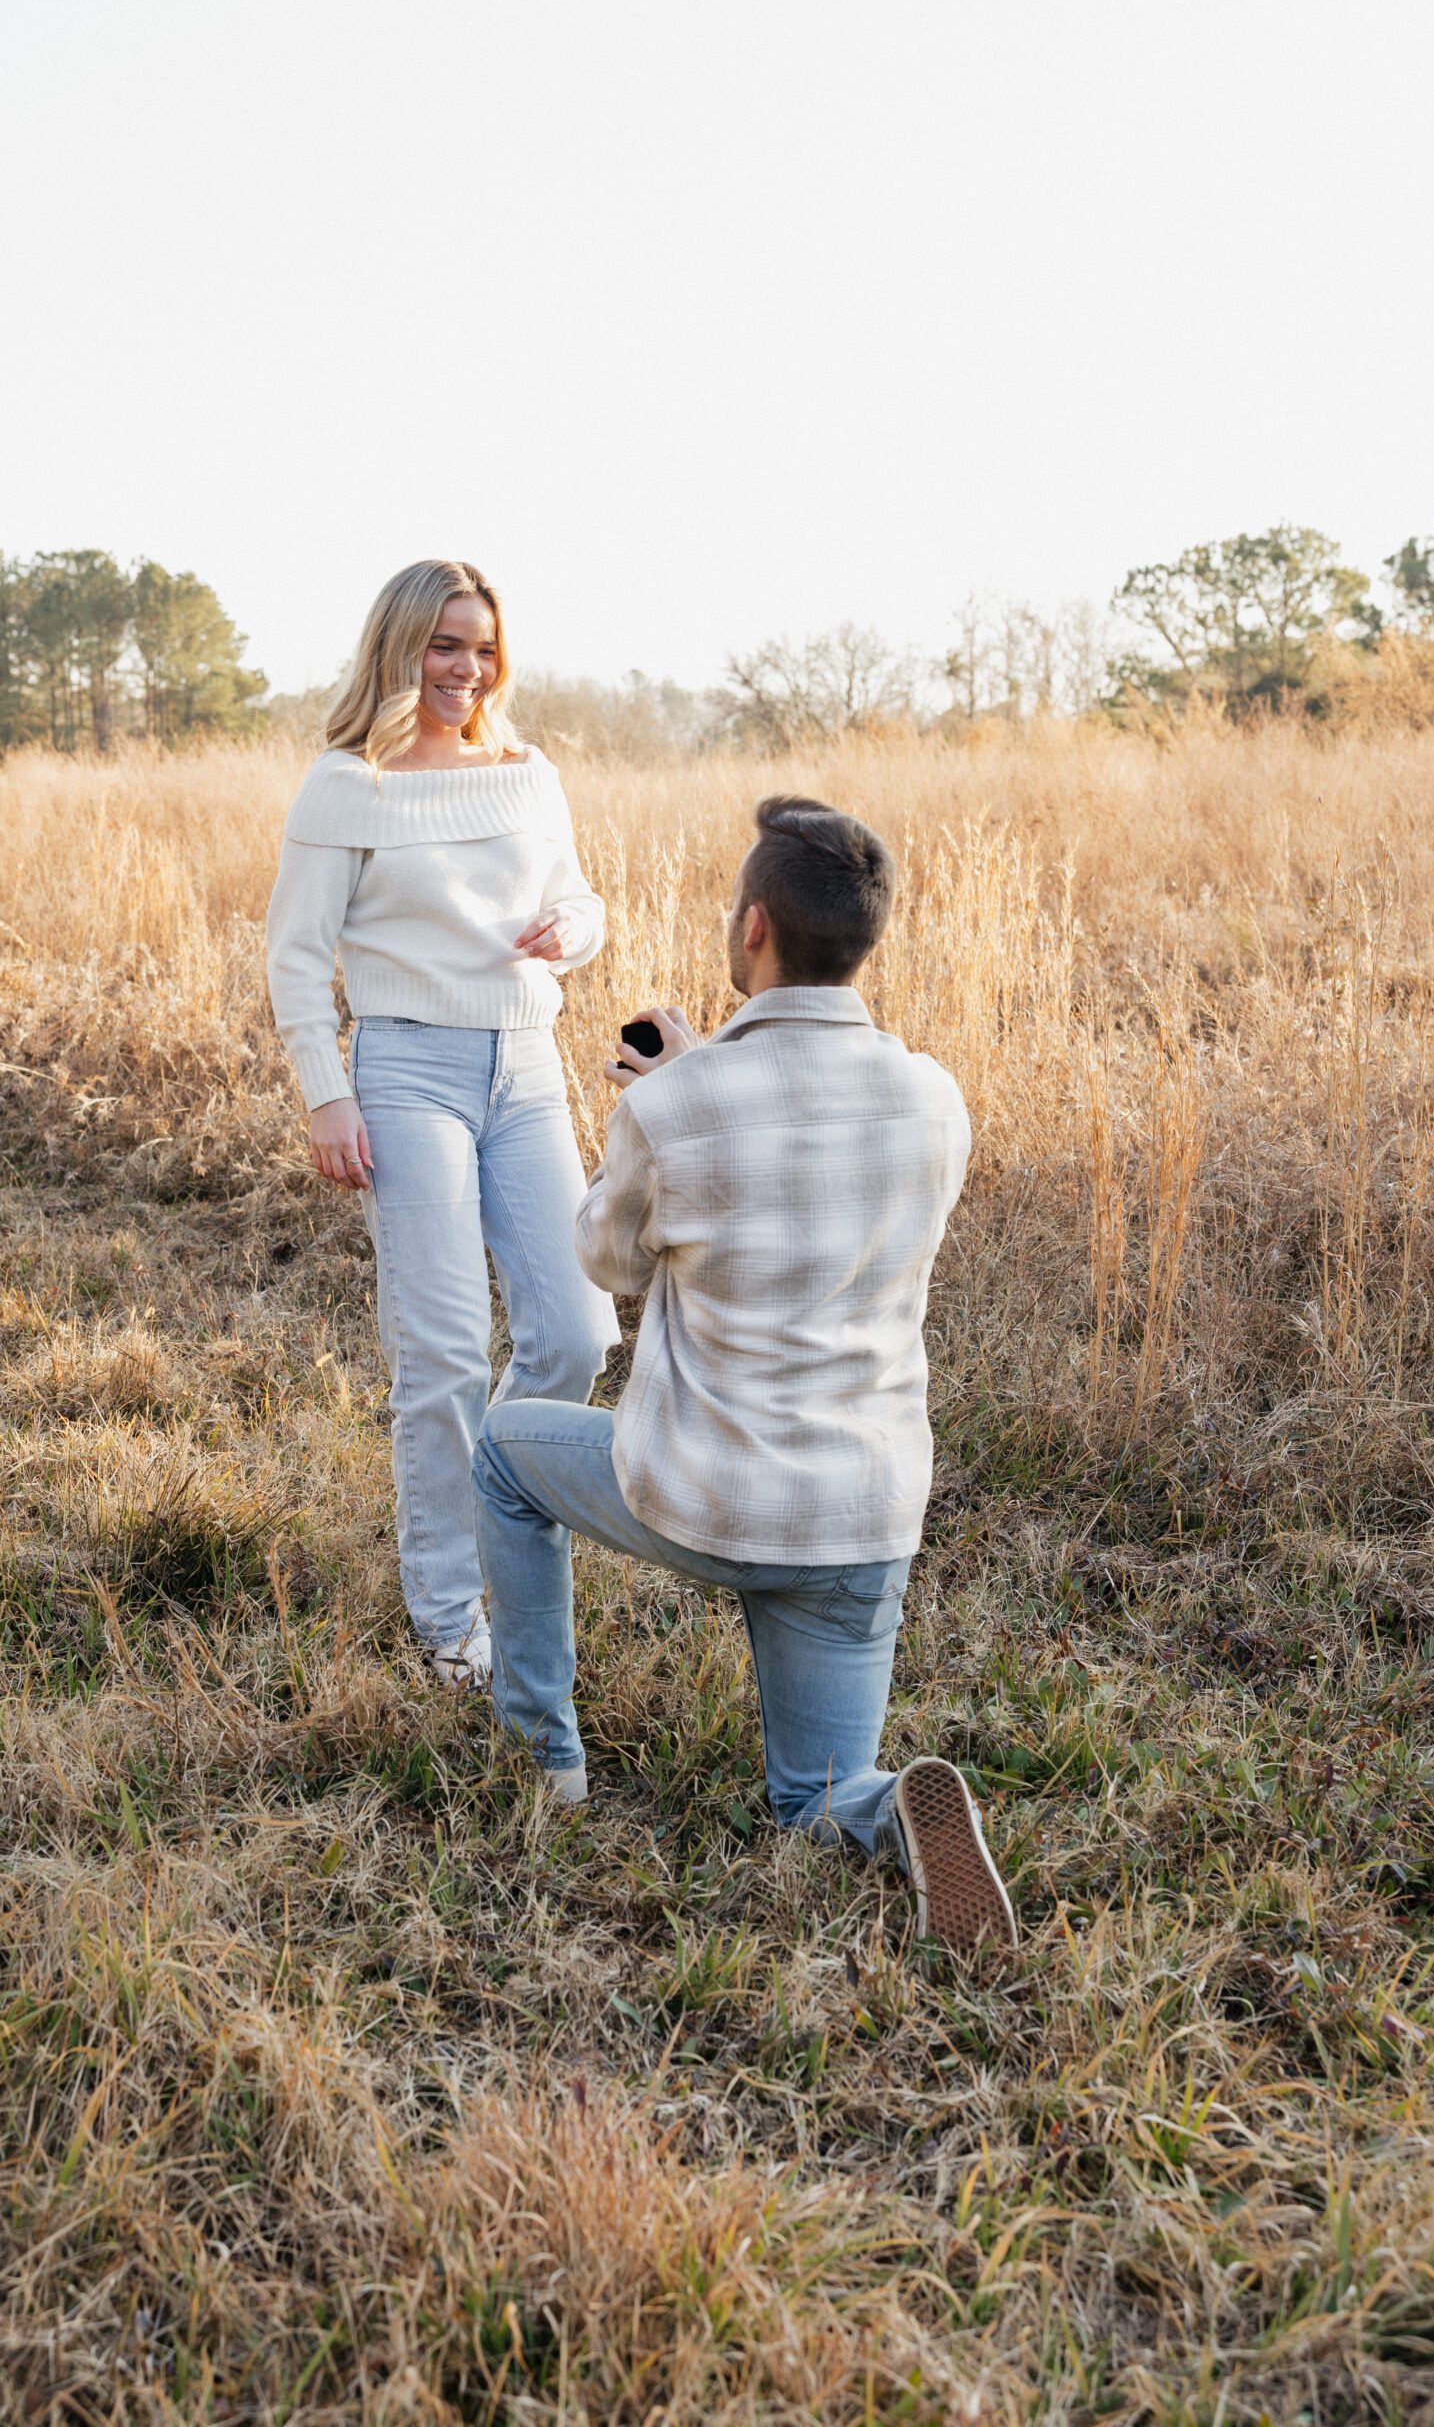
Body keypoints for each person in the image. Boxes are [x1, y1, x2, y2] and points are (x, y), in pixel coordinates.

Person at [473, 795, 1016, 1952]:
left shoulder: (678, 1105)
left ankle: (545, 1759)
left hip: (709, 1499)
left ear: (754, 926)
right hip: (862, 1516)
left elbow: (606, 1256)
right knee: (810, 1799)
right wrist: (702, 1078)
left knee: (505, 1451)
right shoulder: (934, 1097)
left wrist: (666, 1091)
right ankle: (885, 1813)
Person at [267, 559, 616, 1687]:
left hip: (526, 1065)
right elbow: (297, 956)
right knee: (445, 1350)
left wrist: (574, 929)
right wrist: (327, 1092)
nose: (467, 668)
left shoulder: (526, 772)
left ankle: (500, 1502)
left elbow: (582, 897)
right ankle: (449, 1616)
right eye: (444, 646)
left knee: (576, 1330)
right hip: (406, 1068)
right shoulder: (345, 785)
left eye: (481, 646)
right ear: (400, 648)